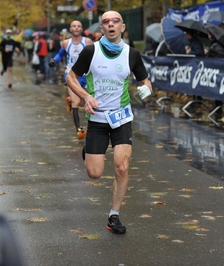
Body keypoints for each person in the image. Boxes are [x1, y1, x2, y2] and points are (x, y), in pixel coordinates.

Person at [65, 10, 152, 234]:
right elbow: (70, 78)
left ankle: (114, 216)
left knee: (122, 167)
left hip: (122, 118)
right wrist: (85, 97)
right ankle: (89, 152)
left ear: (123, 27)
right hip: (97, 118)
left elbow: (145, 81)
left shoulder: (131, 54)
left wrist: (146, 90)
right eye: (105, 22)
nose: (111, 24)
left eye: (115, 21)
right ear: (100, 29)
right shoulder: (90, 51)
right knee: (94, 173)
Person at [49, 20, 93, 140]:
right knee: (76, 102)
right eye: (74, 26)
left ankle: (69, 101)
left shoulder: (87, 42)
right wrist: (54, 61)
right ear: (71, 29)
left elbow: (94, 56)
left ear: (81, 29)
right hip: (71, 75)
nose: (76, 28)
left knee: (86, 102)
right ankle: (79, 129)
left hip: (85, 75)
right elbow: (59, 55)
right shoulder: (65, 43)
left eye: (79, 26)